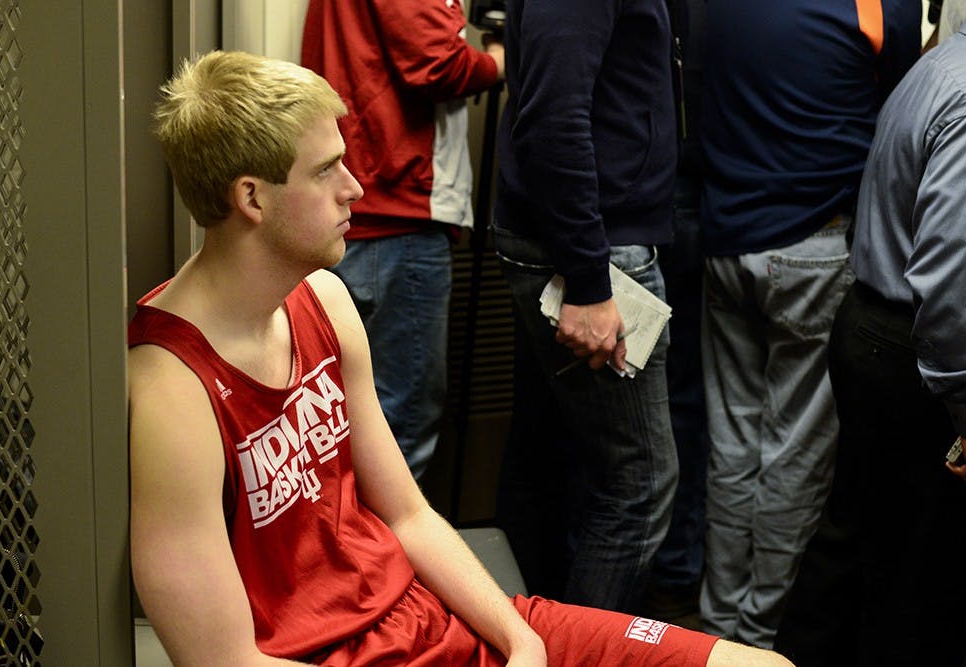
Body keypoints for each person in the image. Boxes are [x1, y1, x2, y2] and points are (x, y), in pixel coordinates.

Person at [128, 49, 794, 667]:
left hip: (434, 620)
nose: (356, 188)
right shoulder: (170, 388)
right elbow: (226, 661)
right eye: (327, 170)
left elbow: (409, 515)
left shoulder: (323, 301)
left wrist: (521, 640)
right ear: (251, 197)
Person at [774, 4, 966, 665]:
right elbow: (953, 295)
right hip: (919, 357)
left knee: (854, 554)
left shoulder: (944, 64)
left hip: (874, 328)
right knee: (920, 590)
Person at [695, 0, 921, 647]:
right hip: (811, 246)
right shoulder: (879, 5)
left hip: (726, 241)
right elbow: (901, 112)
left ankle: (718, 630)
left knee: (733, 445)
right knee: (795, 453)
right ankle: (760, 638)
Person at [492, 0, 681, 613]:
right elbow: (552, 121)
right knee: (640, 487)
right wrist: (589, 283)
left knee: (553, 462)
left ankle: (539, 642)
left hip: (588, 244)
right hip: (589, 253)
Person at [299, 0, 504, 479]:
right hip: (396, 208)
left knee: (348, 425)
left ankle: (350, 548)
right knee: (399, 428)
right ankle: (377, 555)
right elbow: (436, 64)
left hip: (365, 204)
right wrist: (497, 62)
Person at [644, 0, 711, 621]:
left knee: (671, 400)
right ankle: (672, 574)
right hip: (682, 192)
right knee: (682, 400)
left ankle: (669, 575)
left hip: (661, 194)